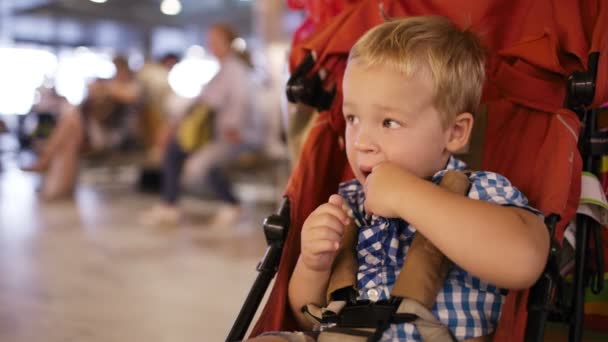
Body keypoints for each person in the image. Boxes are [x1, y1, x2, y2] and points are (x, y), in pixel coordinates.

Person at [255, 16, 549, 341]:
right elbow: (307, 316)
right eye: (352, 118)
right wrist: (314, 264)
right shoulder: (349, 204)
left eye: (389, 123)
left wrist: (406, 196)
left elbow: (525, 261)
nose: (361, 141)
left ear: (454, 132)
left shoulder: (479, 191)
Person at [142, 23, 263, 226]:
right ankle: (170, 203)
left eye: (215, 41)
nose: (211, 45)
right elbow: (202, 101)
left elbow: (234, 103)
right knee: (175, 150)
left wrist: (234, 128)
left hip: (235, 136)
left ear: (228, 43)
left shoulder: (235, 70)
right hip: (220, 134)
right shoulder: (225, 70)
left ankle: (230, 203)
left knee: (198, 164)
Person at [21, 55, 140, 200]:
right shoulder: (111, 86)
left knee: (71, 120)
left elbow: (128, 96)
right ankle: (60, 189)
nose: (117, 74)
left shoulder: (131, 87)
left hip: (116, 137)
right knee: (70, 138)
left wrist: (104, 88)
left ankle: (46, 161)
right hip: (97, 133)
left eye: (119, 70)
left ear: (126, 70)